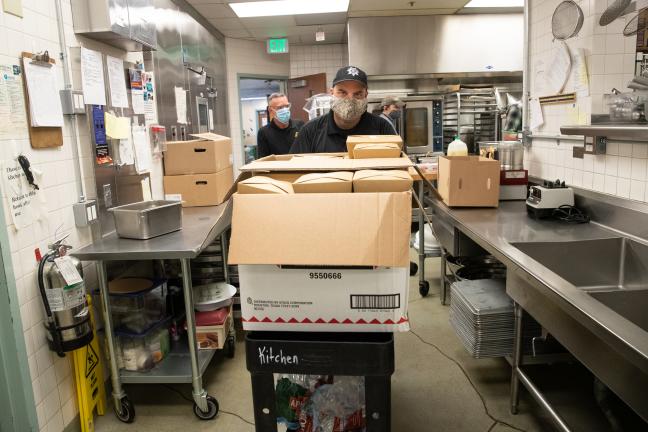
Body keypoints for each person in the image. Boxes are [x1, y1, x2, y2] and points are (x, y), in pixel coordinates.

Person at [289, 66, 395, 154]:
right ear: (331, 93)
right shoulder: (310, 131)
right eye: (342, 92)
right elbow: (294, 173)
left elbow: (399, 170)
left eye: (357, 94)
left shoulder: (382, 129)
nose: (350, 99)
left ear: (366, 95)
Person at [257, 93, 304, 158]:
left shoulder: (299, 125)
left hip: (298, 166)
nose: (285, 110)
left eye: (287, 106)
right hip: (277, 167)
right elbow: (263, 160)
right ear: (270, 110)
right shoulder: (264, 132)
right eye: (280, 107)